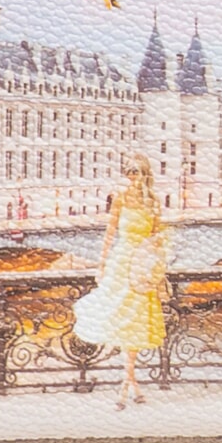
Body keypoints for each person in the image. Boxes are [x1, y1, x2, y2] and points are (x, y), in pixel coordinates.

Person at [72, 153, 168, 408]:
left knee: (137, 320)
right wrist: (102, 264)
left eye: (137, 172)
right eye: (130, 172)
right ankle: (129, 380)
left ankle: (128, 380)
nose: (133, 176)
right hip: (122, 263)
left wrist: (157, 265)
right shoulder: (120, 198)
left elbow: (157, 236)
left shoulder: (153, 201)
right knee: (121, 316)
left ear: (145, 174)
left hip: (142, 265)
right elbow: (110, 233)